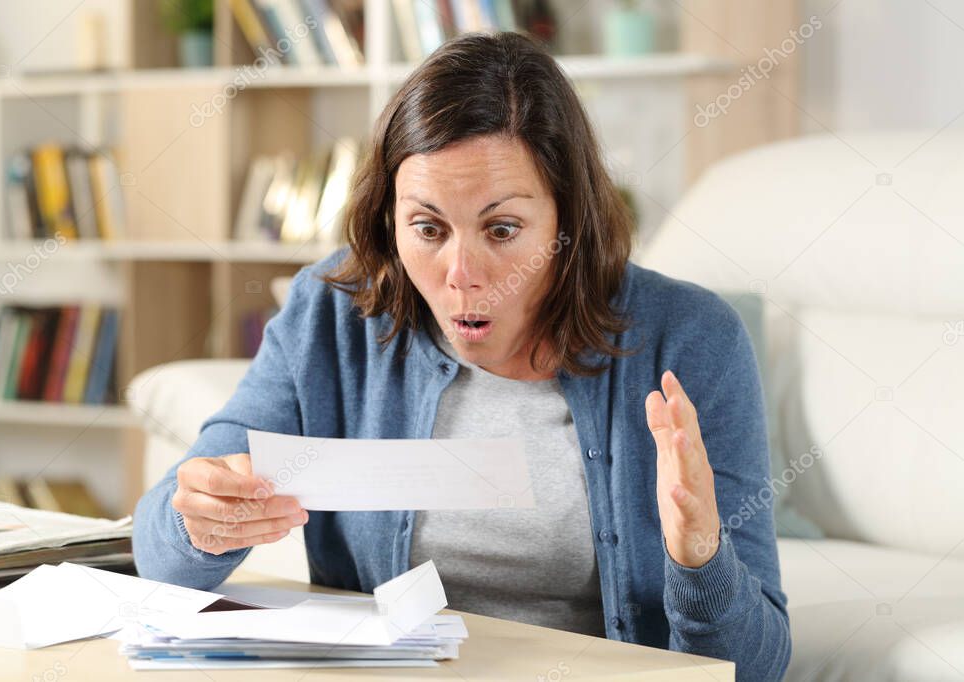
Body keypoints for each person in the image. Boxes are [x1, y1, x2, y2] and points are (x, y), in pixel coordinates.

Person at [133, 31, 791, 681]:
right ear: (388, 220)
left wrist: (700, 557)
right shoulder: (332, 314)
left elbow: (758, 668)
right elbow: (160, 555)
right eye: (427, 228)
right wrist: (203, 521)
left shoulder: (692, 338)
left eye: (501, 230)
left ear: (568, 222)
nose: (461, 273)